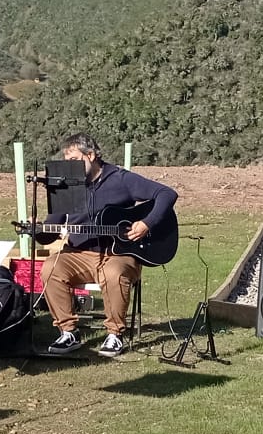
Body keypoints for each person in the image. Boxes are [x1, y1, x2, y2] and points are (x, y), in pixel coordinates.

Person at [39, 133, 176, 357]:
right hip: (78, 253)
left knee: (113, 273)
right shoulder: (67, 184)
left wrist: (146, 223)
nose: (69, 167)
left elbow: (166, 194)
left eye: (74, 160)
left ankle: (114, 334)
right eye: (67, 161)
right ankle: (68, 332)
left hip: (119, 253)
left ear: (91, 155)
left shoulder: (120, 179)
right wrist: (37, 231)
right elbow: (49, 230)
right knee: (51, 268)